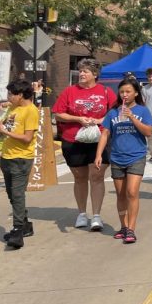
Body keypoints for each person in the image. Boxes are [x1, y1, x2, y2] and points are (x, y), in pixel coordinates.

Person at [53, 58, 115, 231]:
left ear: (95, 74)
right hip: (73, 140)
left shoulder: (105, 91)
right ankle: (82, 213)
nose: (81, 74)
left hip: (99, 140)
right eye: (80, 71)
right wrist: (78, 119)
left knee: (96, 176)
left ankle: (96, 215)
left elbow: (116, 112)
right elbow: (58, 114)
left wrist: (100, 119)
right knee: (80, 178)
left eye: (85, 71)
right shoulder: (69, 92)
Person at [94, 78, 152, 244]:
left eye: (128, 92)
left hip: (136, 156)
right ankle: (123, 226)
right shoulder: (113, 112)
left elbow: (148, 132)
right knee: (121, 195)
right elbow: (105, 133)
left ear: (135, 93)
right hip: (117, 157)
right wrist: (99, 155)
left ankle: (131, 229)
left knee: (132, 192)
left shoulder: (142, 111)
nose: (124, 95)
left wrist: (132, 118)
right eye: (122, 92)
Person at [0, 79, 39, 249]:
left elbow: (27, 138)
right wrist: (0, 112)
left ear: (20, 95)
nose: (8, 97)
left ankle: (17, 230)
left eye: (11, 94)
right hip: (6, 156)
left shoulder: (31, 111)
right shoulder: (12, 108)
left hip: (21, 158)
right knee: (11, 194)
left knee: (18, 194)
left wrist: (4, 131)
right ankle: (25, 225)